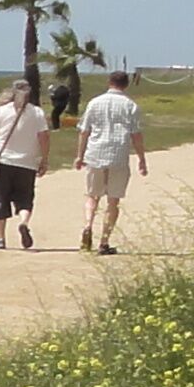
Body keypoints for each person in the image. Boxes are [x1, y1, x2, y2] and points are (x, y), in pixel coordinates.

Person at [77, 70, 152, 252]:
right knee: (113, 201)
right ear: (126, 85)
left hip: (95, 153)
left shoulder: (95, 102)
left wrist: (79, 155)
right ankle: (104, 241)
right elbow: (136, 135)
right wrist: (141, 158)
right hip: (118, 155)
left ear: (109, 82)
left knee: (92, 195)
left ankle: (88, 225)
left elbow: (84, 130)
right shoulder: (130, 105)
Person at [0, 74, 50, 251]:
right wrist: (44, 158)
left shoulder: (0, 112)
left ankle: (0, 238)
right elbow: (44, 137)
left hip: (2, 161)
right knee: (25, 199)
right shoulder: (37, 113)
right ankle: (24, 222)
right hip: (27, 163)